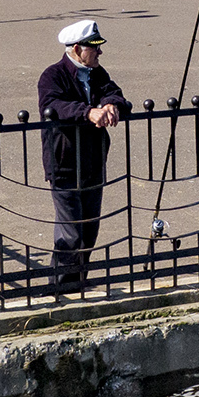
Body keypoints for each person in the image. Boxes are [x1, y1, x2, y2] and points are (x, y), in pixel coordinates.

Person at [37, 19, 131, 293]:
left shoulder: (97, 73)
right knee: (71, 230)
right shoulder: (53, 75)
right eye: (94, 48)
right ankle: (62, 288)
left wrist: (112, 104)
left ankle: (78, 280)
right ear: (77, 49)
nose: (99, 53)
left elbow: (116, 94)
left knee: (89, 228)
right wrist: (87, 111)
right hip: (65, 164)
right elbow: (52, 105)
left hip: (92, 162)